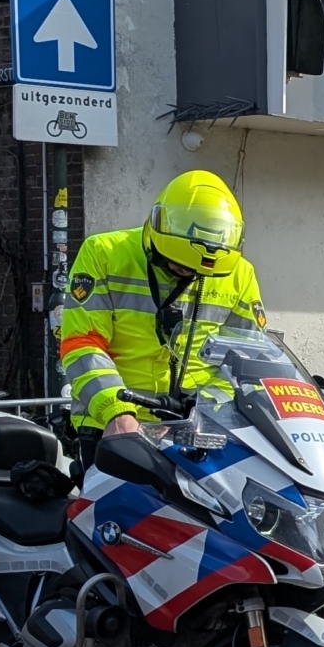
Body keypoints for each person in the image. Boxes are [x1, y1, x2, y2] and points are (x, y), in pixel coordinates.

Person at [61, 170, 265, 467]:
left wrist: (203, 412)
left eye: (198, 273)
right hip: (111, 426)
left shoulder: (240, 274)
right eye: (179, 266)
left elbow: (249, 361)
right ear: (159, 235)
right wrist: (117, 413)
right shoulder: (104, 253)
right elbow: (82, 345)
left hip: (198, 432)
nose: (187, 274)